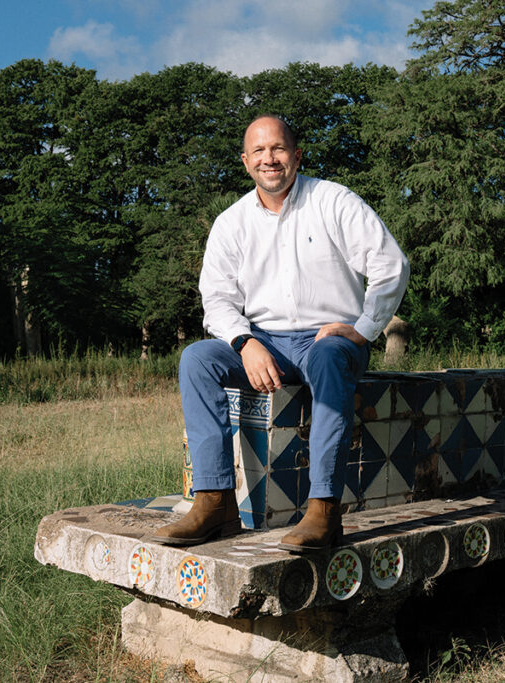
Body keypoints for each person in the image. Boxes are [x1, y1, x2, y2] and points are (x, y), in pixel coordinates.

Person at [152, 115, 409, 551]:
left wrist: (364, 329)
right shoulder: (231, 223)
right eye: (259, 151)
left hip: (327, 343)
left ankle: (323, 509)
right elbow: (216, 299)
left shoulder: (334, 201)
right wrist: (244, 342)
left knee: (329, 355)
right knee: (196, 359)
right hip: (263, 341)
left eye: (278, 149)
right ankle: (214, 502)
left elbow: (390, 265)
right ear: (245, 161)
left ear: (296, 154)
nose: (269, 159)